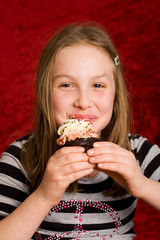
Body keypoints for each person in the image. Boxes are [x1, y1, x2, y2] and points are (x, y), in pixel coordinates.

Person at [0, 22, 160, 240]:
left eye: (98, 85)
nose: (83, 103)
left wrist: (143, 185)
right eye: (66, 85)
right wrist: (43, 197)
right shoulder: (21, 159)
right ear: (46, 92)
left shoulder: (138, 151)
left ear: (116, 94)